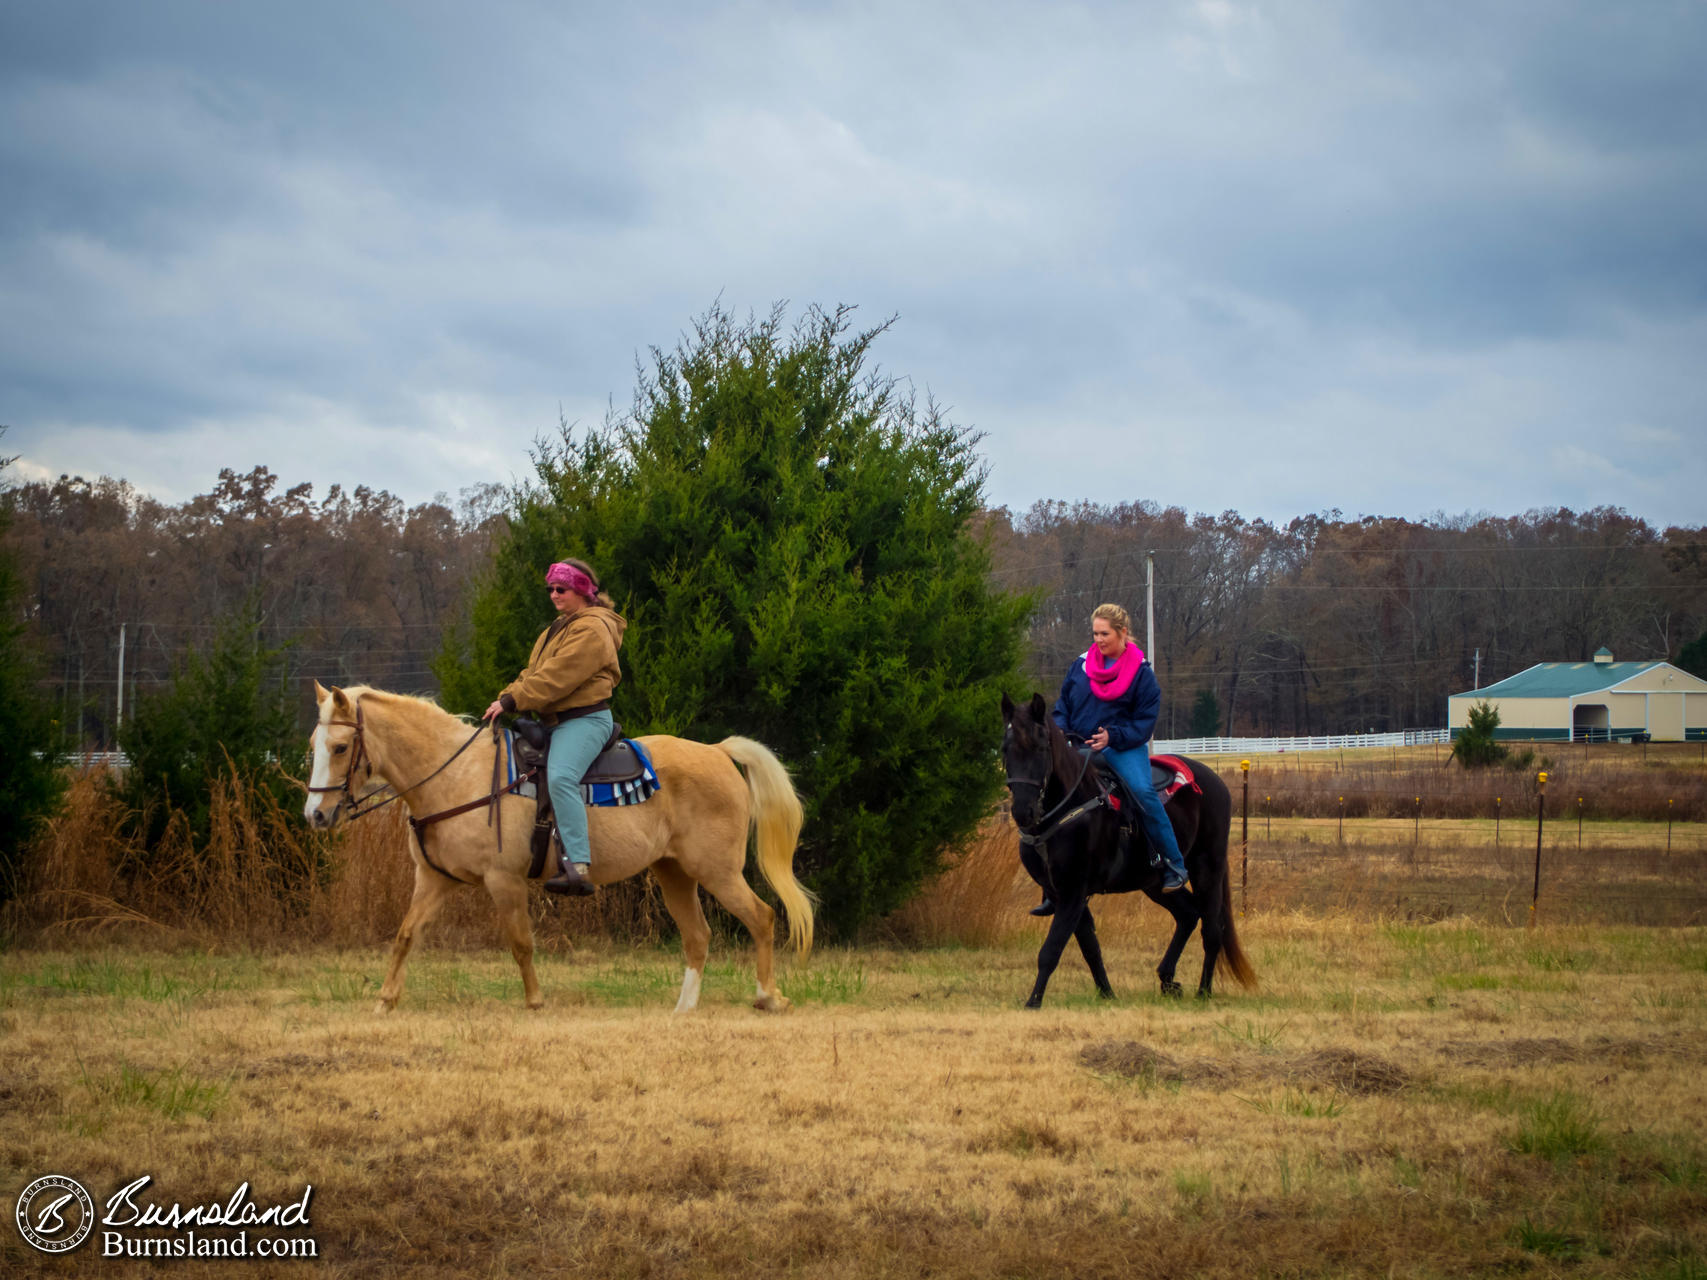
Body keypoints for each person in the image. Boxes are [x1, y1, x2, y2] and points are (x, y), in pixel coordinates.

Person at [483, 559, 625, 895]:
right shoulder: (557, 628)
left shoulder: (592, 628)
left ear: (582, 590)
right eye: (550, 588)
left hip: (584, 721)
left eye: (561, 588)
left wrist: (513, 701)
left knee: (561, 778)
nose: (553, 594)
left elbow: (559, 676)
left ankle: (578, 864)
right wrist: (504, 698)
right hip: (554, 722)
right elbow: (532, 674)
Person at [1047, 602, 1188, 904]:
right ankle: (1054, 882)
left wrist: (1113, 736)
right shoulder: (1080, 666)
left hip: (1122, 748)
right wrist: (1060, 731)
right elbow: (1063, 708)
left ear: (1122, 632)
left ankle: (1174, 864)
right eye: (1095, 633)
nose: (1098, 639)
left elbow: (1144, 724)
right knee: (1052, 790)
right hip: (1080, 748)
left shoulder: (1142, 675)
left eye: (1105, 634)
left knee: (1142, 792)